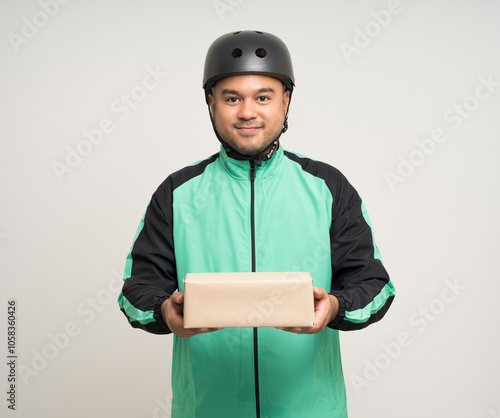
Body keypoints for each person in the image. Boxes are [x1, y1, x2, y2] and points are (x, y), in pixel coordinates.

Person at [118, 30, 395, 418]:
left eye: (263, 97)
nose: (248, 111)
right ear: (211, 103)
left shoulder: (327, 187)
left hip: (310, 410)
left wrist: (333, 306)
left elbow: (375, 286)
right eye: (232, 98)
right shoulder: (177, 193)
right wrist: (165, 310)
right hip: (206, 410)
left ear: (285, 100)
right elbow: (136, 290)